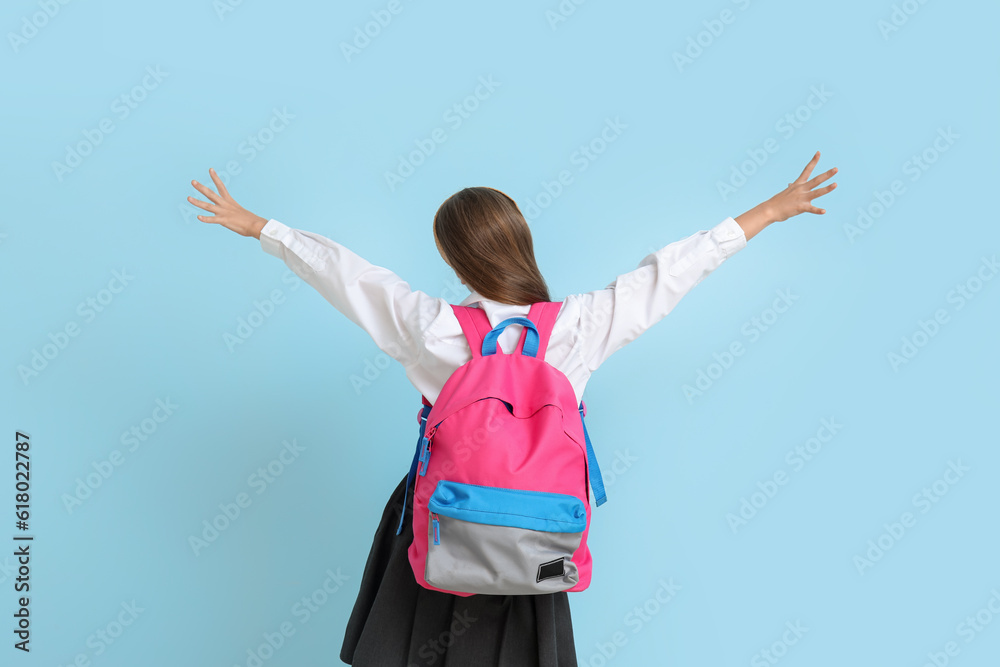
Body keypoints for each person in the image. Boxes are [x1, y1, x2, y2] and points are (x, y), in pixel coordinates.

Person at [187, 151, 838, 666]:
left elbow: (349, 276)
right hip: (537, 533)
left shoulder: (434, 328)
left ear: (455, 256)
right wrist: (770, 211)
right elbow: (670, 272)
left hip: (445, 524)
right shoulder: (579, 327)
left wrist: (259, 227)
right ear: (518, 243)